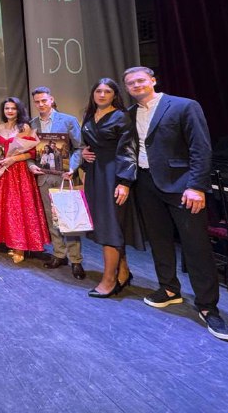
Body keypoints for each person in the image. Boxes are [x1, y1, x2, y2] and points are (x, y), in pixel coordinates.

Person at [119, 66, 228, 341]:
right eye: (131, 83)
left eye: (140, 80)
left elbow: (200, 148)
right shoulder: (130, 113)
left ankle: (207, 306)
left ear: (153, 80)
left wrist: (196, 186)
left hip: (182, 186)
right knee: (159, 241)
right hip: (146, 184)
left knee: (196, 246)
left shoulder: (184, 106)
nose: (136, 85)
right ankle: (169, 289)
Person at [79, 79, 145, 298]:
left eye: (107, 91)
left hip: (113, 176)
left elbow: (129, 150)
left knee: (110, 227)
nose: (102, 95)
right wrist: (84, 154)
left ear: (114, 95)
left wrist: (124, 182)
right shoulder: (89, 116)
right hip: (95, 175)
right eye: (98, 91)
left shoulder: (121, 117)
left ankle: (109, 280)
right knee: (107, 225)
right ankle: (122, 272)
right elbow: (88, 145)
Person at [27, 86, 85, 279]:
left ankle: (76, 260)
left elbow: (80, 148)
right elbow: (29, 153)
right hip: (43, 178)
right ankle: (59, 254)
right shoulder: (32, 124)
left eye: (44, 100)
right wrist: (30, 165)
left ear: (51, 100)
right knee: (52, 219)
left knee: (69, 219)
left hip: (65, 177)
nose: (41, 104)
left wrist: (72, 168)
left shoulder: (68, 120)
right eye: (37, 102)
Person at [0, 98, 50, 263]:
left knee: (19, 208)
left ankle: (20, 247)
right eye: (7, 108)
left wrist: (13, 159)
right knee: (7, 208)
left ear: (18, 110)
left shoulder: (24, 127)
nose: (9, 111)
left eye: (13, 108)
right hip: (4, 172)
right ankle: (12, 242)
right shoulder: (0, 127)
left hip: (19, 172)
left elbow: (32, 152)